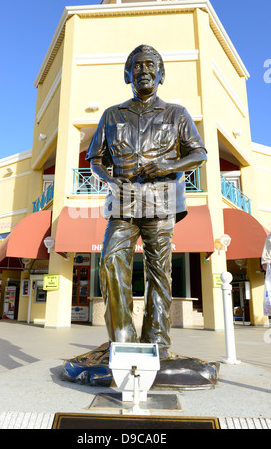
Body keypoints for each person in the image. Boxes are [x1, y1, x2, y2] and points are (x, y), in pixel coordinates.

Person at [86, 44, 207, 359]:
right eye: (137, 66)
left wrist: (169, 166)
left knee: (159, 272)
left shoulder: (176, 113)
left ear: (161, 74)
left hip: (161, 201)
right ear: (128, 74)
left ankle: (158, 343)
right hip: (123, 201)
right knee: (111, 262)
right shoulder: (112, 114)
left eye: (150, 65)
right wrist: (110, 179)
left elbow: (199, 153)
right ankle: (123, 340)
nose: (144, 71)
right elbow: (95, 159)